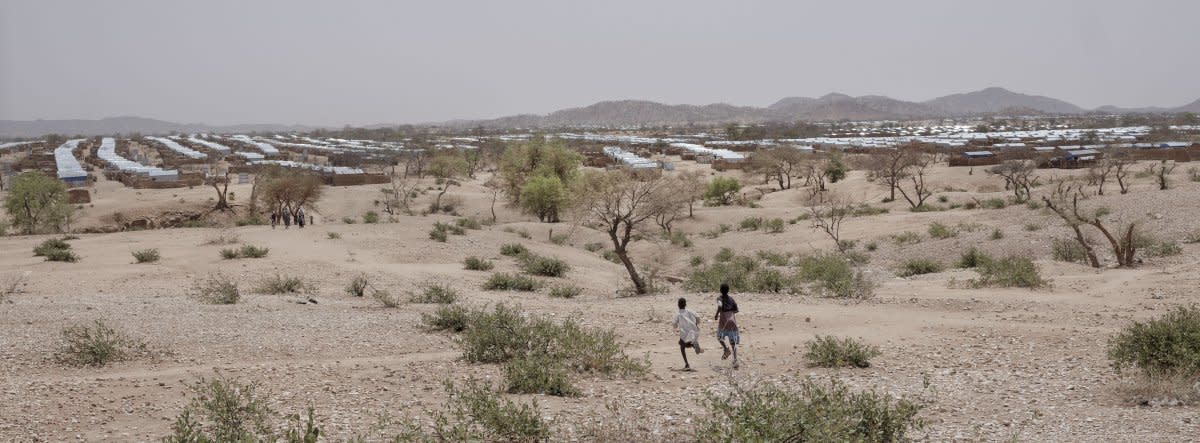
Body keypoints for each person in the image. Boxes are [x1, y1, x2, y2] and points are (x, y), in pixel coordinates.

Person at [672, 297, 704, 371]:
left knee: (682, 346)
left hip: (684, 332)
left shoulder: (678, 313)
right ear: (685, 304)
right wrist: (697, 323)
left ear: (678, 305)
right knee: (690, 342)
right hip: (693, 330)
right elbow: (698, 317)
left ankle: (686, 364)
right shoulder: (690, 311)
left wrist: (675, 326)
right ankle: (697, 348)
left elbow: (674, 323)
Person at [714, 283, 740, 369]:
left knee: (719, 337)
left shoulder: (719, 298)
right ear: (728, 290)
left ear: (720, 290)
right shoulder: (731, 299)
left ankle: (726, 349)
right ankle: (735, 360)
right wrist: (730, 312)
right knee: (733, 342)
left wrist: (717, 314)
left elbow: (720, 305)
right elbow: (736, 310)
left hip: (724, 321)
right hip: (732, 322)